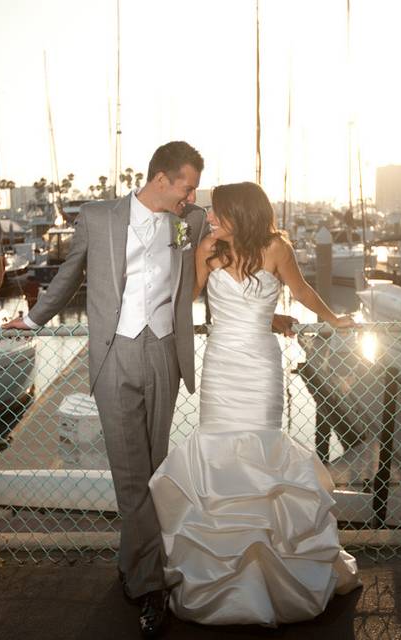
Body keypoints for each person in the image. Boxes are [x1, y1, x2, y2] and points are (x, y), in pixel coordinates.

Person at [3, 143, 293, 638]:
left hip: (164, 355)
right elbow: (69, 275)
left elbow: (246, 239)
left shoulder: (195, 221)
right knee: (130, 474)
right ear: (161, 179)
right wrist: (31, 319)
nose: (193, 195)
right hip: (114, 355)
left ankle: (132, 562)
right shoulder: (98, 216)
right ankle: (151, 585)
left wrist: (270, 314)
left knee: (156, 471)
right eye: (187, 186)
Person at [148, 181, 361, 627]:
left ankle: (271, 574)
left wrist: (334, 319)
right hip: (222, 366)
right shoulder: (208, 246)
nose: (211, 217)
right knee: (219, 452)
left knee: (264, 456)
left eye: (218, 211)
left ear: (240, 212)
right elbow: (186, 299)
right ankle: (225, 575)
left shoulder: (277, 247)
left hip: (262, 367)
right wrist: (189, 256)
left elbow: (301, 292)